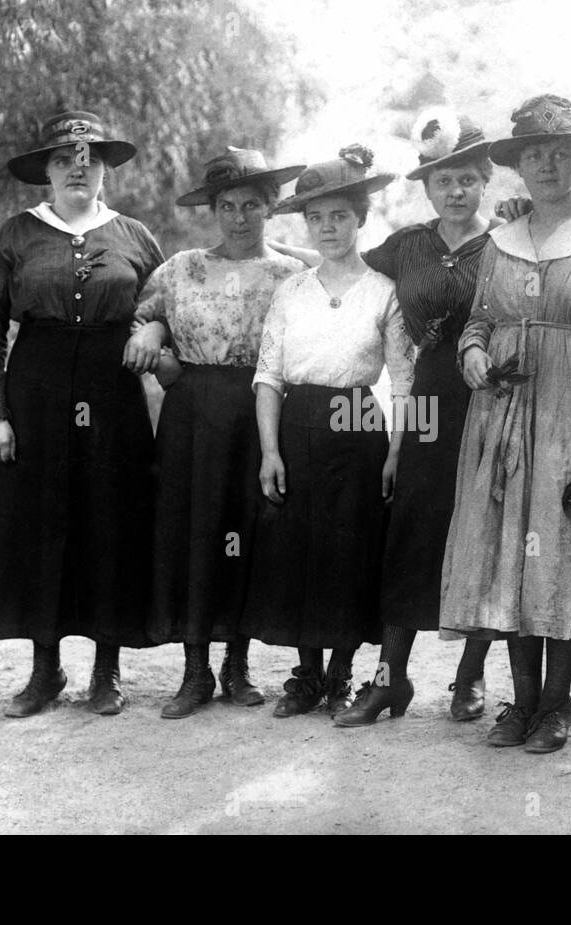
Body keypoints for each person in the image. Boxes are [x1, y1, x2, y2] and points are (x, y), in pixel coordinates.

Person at [440, 96, 571, 753]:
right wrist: (472, 354)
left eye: (561, 152)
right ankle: (520, 702)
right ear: (519, 166)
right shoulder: (499, 241)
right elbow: (478, 321)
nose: (549, 164)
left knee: (560, 553)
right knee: (508, 556)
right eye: (535, 154)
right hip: (501, 421)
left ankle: (557, 704)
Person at [0, 110, 164, 717]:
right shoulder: (12, 236)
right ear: (46, 172)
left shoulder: (135, 236)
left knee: (110, 518)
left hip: (113, 393)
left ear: (105, 171)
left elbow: (163, 307)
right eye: (64, 161)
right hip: (36, 391)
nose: (78, 171)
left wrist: (153, 329)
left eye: (90, 161)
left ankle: (106, 671)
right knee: (39, 521)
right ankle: (44, 669)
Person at [332, 110, 500, 727]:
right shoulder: (408, 245)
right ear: (426, 189)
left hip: (492, 399)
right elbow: (343, 265)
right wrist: (272, 256)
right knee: (411, 527)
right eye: (441, 182)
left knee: (481, 527)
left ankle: (471, 672)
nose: (454, 192)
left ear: (485, 180)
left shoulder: (509, 241)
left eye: (465, 180)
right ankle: (389, 677)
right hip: (428, 401)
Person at [127, 148, 305, 719]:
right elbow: (146, 319)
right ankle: (194, 670)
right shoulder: (181, 268)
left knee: (246, 528)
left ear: (271, 208)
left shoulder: (290, 273)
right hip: (193, 413)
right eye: (226, 205)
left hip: (260, 407)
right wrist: (155, 343)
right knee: (194, 530)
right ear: (212, 209)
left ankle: (238, 664)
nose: (238, 217)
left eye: (252, 204)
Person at [239, 145, 412, 719]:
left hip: (359, 421)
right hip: (297, 423)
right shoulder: (291, 291)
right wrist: (269, 451)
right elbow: (268, 376)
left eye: (340, 215)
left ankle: (341, 674)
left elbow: (405, 383)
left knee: (347, 549)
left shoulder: (384, 291)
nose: (328, 227)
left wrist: (394, 453)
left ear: (361, 219)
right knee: (299, 551)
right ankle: (305, 676)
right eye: (316, 218)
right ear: (305, 225)